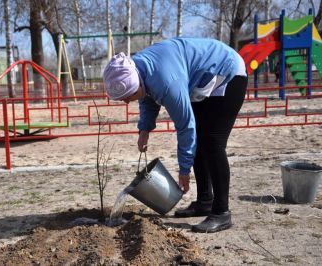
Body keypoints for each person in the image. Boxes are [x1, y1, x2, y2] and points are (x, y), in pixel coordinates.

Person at [103, 37, 247, 233]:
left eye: (127, 96)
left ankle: (221, 213)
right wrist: (144, 130)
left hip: (227, 72)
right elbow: (147, 98)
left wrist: (184, 170)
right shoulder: (140, 69)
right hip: (202, 79)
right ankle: (205, 201)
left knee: (212, 142)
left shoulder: (166, 81)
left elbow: (186, 126)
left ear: (134, 82)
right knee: (200, 140)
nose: (127, 102)